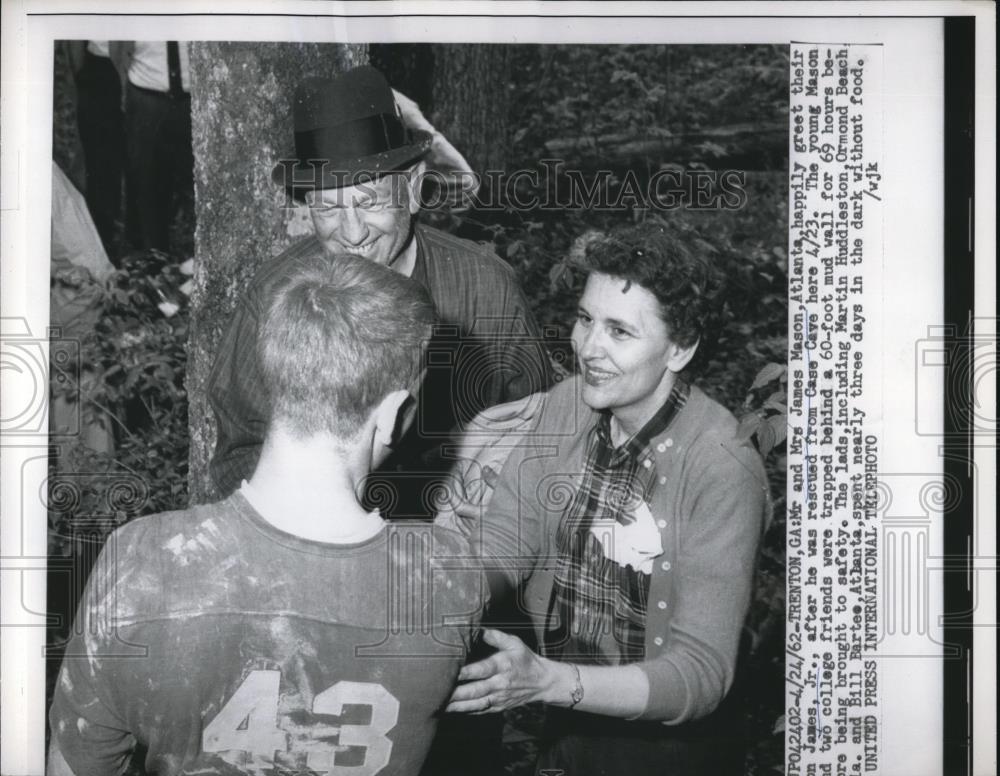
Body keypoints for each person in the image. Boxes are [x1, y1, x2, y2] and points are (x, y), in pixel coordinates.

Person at [47, 255, 486, 776]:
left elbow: (76, 764)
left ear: (276, 377)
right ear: (391, 416)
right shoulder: (449, 579)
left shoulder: (141, 561)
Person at [443, 221, 771, 775]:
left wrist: (550, 682)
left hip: (668, 746)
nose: (588, 348)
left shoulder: (720, 467)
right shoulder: (569, 404)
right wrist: (438, 581)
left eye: (620, 332)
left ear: (680, 348)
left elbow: (699, 673)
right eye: (585, 319)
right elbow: (506, 539)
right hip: (565, 720)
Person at [208, 65, 552, 515]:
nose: (351, 233)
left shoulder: (484, 288)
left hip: (461, 540)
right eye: (328, 207)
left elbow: (540, 429)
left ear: (411, 189)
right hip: (326, 539)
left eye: (369, 201)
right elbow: (239, 453)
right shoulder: (275, 298)